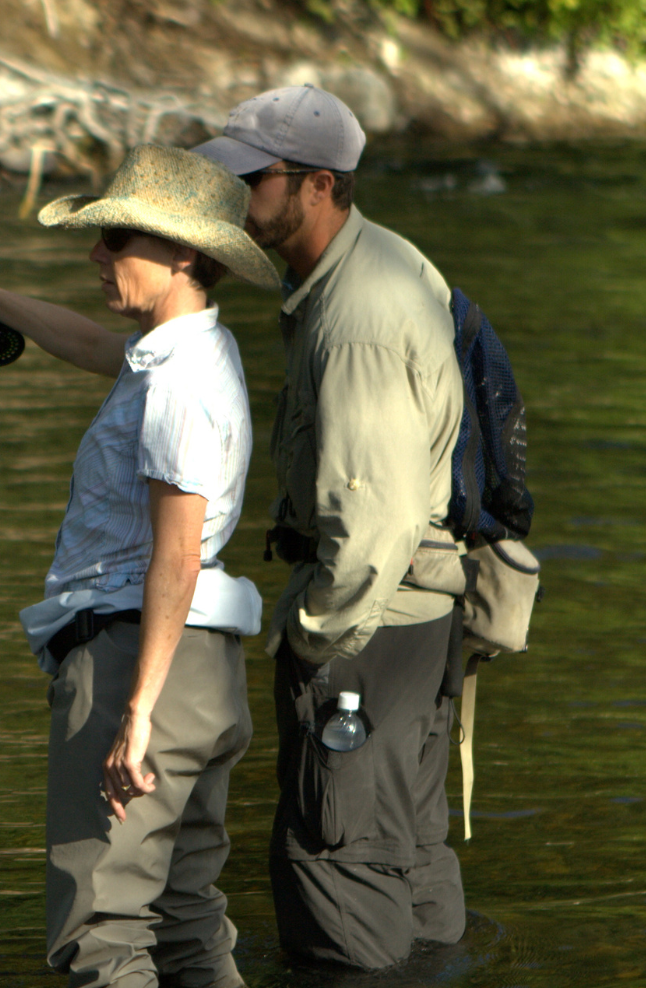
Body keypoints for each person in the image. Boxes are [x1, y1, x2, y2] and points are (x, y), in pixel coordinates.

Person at [0, 144, 279, 988]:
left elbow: (175, 551)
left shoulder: (177, 385)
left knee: (102, 934)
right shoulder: (187, 350)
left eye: (118, 241)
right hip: (205, 670)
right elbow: (94, 345)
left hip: (140, 664)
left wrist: (135, 711)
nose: (96, 256)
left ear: (183, 255)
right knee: (184, 919)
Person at [192, 86, 469, 970]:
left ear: (317, 186)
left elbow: (372, 519)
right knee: (409, 857)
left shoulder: (354, 322)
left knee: (335, 863)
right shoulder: (381, 265)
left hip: (370, 631)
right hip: (420, 624)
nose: (235, 196)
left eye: (253, 179)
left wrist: (309, 642)